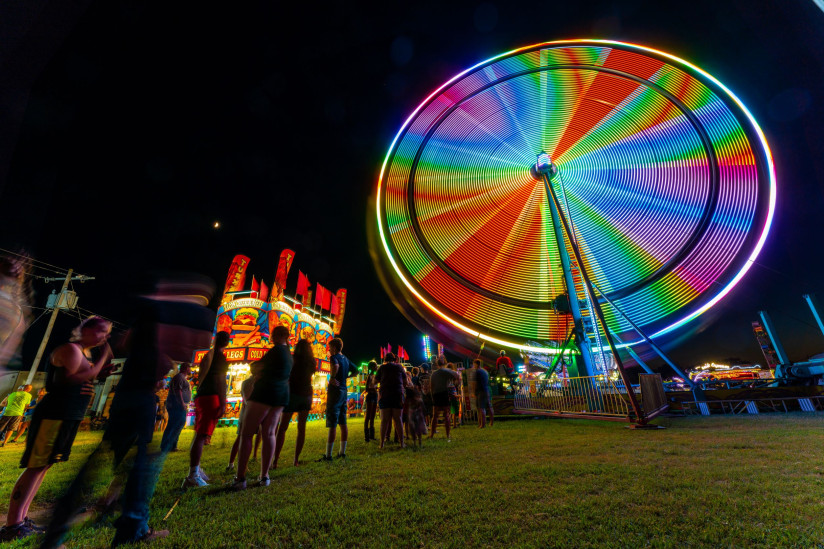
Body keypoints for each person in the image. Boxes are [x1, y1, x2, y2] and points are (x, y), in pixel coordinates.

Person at [39, 273, 216, 548]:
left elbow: (125, 342)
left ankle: (58, 528)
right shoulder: (176, 313)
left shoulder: (149, 311)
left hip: (127, 391)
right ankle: (133, 526)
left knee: (105, 457)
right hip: (142, 394)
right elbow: (191, 346)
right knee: (142, 464)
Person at [0, 317, 113, 542]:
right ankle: (12, 524)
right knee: (36, 466)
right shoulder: (71, 349)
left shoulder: (84, 354)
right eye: (102, 331)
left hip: (66, 416)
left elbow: (83, 379)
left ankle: (21, 520)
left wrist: (98, 370)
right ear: (86, 329)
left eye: (107, 333)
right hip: (54, 414)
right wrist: (101, 364)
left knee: (43, 466)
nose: (105, 337)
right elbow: (72, 379)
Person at [232, 325, 292, 489]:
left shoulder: (276, 351)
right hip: (281, 395)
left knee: (247, 433)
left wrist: (259, 372)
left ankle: (240, 478)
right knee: (269, 433)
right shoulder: (288, 355)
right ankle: (264, 476)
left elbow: (258, 366)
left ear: (276, 336)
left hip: (265, 392)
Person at [183, 331, 230, 488]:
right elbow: (220, 380)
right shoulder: (220, 358)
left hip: (201, 396)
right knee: (202, 436)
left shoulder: (209, 355)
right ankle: (192, 475)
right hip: (211, 397)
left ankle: (196, 469)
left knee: (199, 435)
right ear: (227, 342)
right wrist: (223, 402)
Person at [273, 338, 316, 468]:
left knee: (282, 428)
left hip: (292, 394)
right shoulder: (311, 362)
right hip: (307, 394)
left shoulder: (293, 359)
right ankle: (296, 459)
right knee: (301, 428)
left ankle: (275, 460)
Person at [319, 337, 355, 461]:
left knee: (333, 422)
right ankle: (342, 452)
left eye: (330, 347)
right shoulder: (346, 358)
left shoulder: (334, 357)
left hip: (335, 391)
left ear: (334, 347)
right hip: (344, 390)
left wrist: (333, 377)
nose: (329, 349)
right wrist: (347, 377)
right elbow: (355, 371)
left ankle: (328, 455)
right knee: (343, 421)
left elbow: (335, 365)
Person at [226, 372, 260, 471]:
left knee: (245, 439)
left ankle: (240, 463)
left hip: (253, 414)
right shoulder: (248, 383)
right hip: (247, 414)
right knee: (242, 438)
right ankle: (234, 464)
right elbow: (247, 400)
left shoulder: (257, 382)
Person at [376, 352, 406, 449]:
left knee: (384, 421)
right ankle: (402, 443)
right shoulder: (400, 367)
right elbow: (405, 381)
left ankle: (381, 444)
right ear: (394, 359)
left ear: (385, 359)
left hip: (385, 395)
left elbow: (375, 381)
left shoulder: (382, 368)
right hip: (397, 395)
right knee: (398, 420)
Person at [160, 363, 191, 453]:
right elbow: (178, 391)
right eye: (189, 368)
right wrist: (181, 403)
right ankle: (167, 445)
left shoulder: (181, 377)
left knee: (178, 424)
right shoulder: (179, 377)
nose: (190, 370)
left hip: (178, 405)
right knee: (175, 424)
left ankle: (172, 445)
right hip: (176, 405)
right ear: (186, 368)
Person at [429, 361, 460, 441]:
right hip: (444, 393)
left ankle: (432, 434)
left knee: (435, 415)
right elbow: (457, 376)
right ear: (445, 364)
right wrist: (457, 383)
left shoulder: (434, 374)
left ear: (437, 365)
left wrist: (432, 396)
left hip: (437, 394)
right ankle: (448, 435)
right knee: (446, 415)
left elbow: (431, 386)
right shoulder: (447, 372)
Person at [473, 359, 493, 428]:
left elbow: (475, 383)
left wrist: (474, 392)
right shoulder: (485, 371)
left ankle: (482, 424)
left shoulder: (477, 371)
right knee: (489, 406)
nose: (473, 366)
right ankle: (491, 422)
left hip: (480, 391)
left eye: (474, 364)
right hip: (487, 389)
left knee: (481, 408)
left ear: (476, 364)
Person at [363, 366, 378, 442]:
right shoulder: (369, 376)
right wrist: (373, 390)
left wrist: (376, 389)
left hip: (375, 396)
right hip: (371, 396)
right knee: (368, 416)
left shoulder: (375, 376)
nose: (376, 367)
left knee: (373, 416)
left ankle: (372, 435)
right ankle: (366, 436)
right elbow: (366, 388)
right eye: (375, 366)